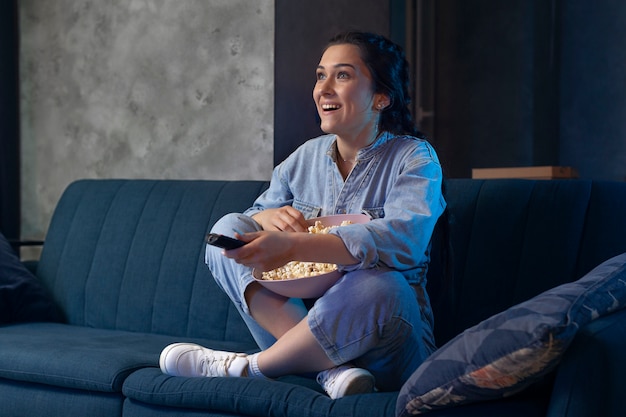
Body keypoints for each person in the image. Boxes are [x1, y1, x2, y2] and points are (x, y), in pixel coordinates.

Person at [159, 31, 446, 399]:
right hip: (307, 332)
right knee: (227, 233)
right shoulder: (304, 158)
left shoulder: (415, 158)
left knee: (383, 285)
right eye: (320, 75)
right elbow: (254, 216)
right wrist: (267, 219)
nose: (323, 88)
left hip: (387, 341)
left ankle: (248, 368)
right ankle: (333, 371)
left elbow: (404, 240)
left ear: (381, 97)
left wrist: (296, 245)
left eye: (342, 75)